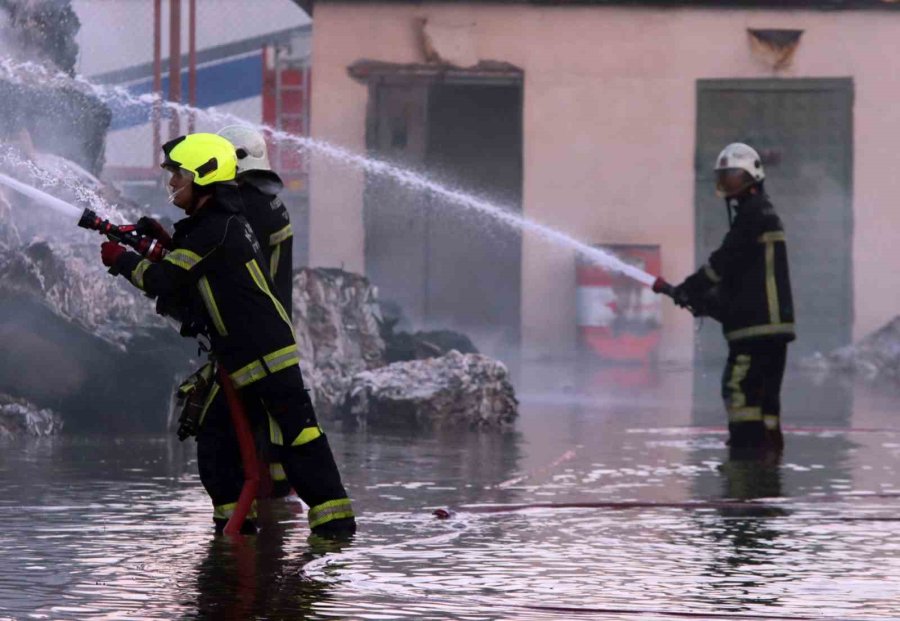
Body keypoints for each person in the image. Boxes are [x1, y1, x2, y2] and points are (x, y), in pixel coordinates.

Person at [100, 133, 355, 536]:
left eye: (178, 174)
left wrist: (122, 259)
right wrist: (159, 240)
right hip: (241, 354)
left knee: (298, 436)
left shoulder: (216, 229)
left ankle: (335, 530)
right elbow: (191, 266)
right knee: (218, 441)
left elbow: (167, 281)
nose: (171, 183)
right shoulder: (214, 225)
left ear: (203, 177)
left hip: (263, 353)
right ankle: (235, 538)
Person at [671, 143, 795, 451]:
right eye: (724, 177)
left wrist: (691, 288)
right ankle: (768, 471)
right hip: (770, 328)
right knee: (767, 400)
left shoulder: (753, 215)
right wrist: (707, 301)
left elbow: (723, 263)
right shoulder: (763, 213)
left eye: (735, 177)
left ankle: (746, 463)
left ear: (752, 176)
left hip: (754, 330)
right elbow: (744, 277)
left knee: (739, 389)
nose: (728, 184)